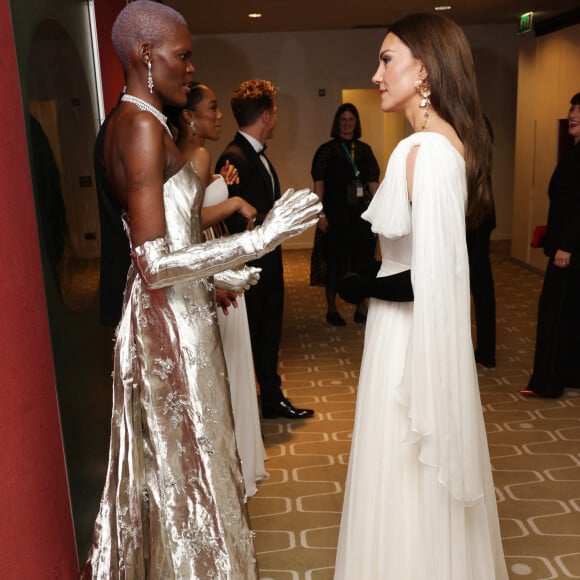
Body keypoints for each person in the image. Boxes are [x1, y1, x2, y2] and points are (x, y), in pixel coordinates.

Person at [79, 2, 320, 577]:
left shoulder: (141, 120)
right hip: (170, 325)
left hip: (178, 311)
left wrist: (216, 274)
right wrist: (261, 237)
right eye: (181, 55)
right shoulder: (138, 126)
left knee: (190, 473)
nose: (190, 68)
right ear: (144, 54)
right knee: (195, 476)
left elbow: (173, 236)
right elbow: (155, 264)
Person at [334, 13, 508, 579]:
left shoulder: (425, 152)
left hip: (407, 336)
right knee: (405, 471)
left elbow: (429, 275)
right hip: (409, 325)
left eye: (387, 60)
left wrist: (362, 285)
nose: (377, 74)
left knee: (403, 465)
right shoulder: (438, 145)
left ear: (424, 71)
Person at [166, 81, 269, 497]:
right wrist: (232, 202)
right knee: (229, 365)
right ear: (189, 116)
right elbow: (187, 224)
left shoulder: (194, 156)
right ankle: (234, 468)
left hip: (211, 258)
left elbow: (192, 199)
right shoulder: (198, 152)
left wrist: (215, 181)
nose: (219, 114)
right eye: (212, 107)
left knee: (230, 362)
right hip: (207, 261)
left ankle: (234, 466)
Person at [216, 79, 315, 420]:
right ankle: (254, 405)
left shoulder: (252, 155)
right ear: (265, 116)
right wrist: (269, 220)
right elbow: (228, 217)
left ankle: (272, 398)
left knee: (269, 334)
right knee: (255, 335)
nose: (277, 117)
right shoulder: (233, 157)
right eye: (274, 112)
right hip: (251, 266)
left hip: (269, 262)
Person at [520, 92, 580, 398]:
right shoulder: (575, 151)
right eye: (572, 109)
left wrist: (565, 246)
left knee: (553, 313)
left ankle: (547, 382)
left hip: (569, 249)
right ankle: (569, 373)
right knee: (570, 312)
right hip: (567, 244)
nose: (573, 114)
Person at [310, 103, 380, 325]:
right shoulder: (325, 151)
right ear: (337, 123)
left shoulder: (365, 150)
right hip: (335, 218)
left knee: (362, 263)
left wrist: (380, 214)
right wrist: (320, 215)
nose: (347, 123)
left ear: (356, 123)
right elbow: (318, 186)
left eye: (351, 120)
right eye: (343, 120)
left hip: (361, 218)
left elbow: (373, 185)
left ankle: (361, 308)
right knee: (334, 264)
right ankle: (332, 311)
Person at [468, 114, 497, 369]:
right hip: (474, 217)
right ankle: (482, 350)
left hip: (476, 219)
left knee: (480, 287)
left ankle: (486, 351)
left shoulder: (476, 124)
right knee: (479, 287)